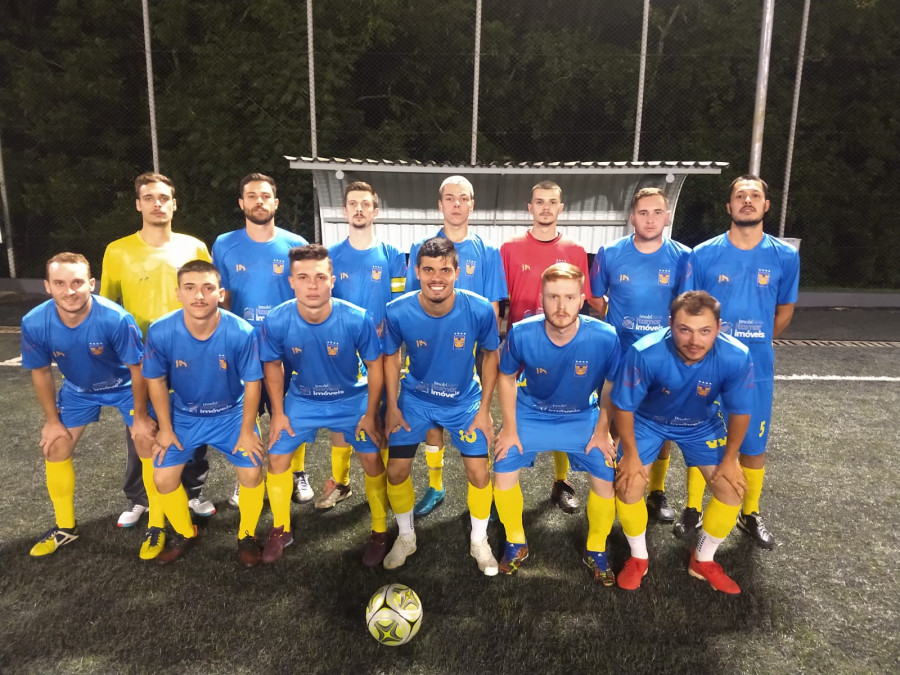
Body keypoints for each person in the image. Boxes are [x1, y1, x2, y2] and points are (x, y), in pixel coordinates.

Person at [677, 175, 799, 548]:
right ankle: (693, 508)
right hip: (708, 365)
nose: (747, 201)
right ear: (729, 206)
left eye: (755, 195)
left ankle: (750, 512)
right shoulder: (703, 254)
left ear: (766, 205)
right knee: (702, 435)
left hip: (756, 366)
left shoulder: (785, 255)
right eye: (740, 196)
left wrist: (750, 346)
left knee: (753, 444)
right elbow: (690, 309)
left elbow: (784, 310)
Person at [100, 172, 214, 548]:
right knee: (143, 426)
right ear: (138, 204)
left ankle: (192, 491)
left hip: (192, 354)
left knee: (193, 420)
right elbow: (107, 306)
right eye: (149, 198)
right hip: (141, 358)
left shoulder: (194, 246)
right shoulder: (117, 250)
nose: (157, 204)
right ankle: (140, 497)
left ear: (174, 204)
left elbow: (209, 295)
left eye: (164, 198)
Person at [612, 291, 753, 594]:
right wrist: (631, 455)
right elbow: (623, 407)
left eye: (705, 331)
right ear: (670, 324)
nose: (695, 341)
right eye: (685, 329)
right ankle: (638, 557)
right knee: (627, 484)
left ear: (719, 327)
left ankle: (703, 559)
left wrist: (731, 459)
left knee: (731, 489)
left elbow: (741, 412)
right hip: (648, 421)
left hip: (700, 424)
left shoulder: (736, 355)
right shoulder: (645, 352)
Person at [21, 253, 156, 558]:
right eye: (60, 283)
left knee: (146, 440)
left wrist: (141, 416)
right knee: (55, 446)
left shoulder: (115, 318)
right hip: (79, 390)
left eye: (77, 282)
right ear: (47, 286)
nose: (69, 291)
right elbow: (40, 371)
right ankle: (65, 527)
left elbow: (138, 369)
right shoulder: (34, 321)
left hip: (124, 387)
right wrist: (51, 420)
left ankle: (157, 525)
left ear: (91, 284)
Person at [261, 244, 388, 566]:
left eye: (320, 277)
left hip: (351, 399)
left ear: (332, 280)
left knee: (372, 458)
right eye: (303, 277)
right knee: (276, 456)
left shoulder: (356, 317)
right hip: (302, 399)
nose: (312, 285)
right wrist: (278, 414)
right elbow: (273, 366)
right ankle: (281, 528)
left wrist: (371, 413)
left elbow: (375, 366)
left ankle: (379, 531)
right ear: (291, 281)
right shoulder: (277, 319)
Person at [494, 263, 620, 582]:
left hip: (581, 416)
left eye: (569, 297)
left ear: (582, 300)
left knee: (606, 474)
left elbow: (610, 384)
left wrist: (603, 430)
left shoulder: (605, 336)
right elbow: (506, 377)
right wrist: (509, 428)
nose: (561, 306)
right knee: (503, 465)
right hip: (532, 412)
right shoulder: (522, 332)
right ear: (541, 299)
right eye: (553, 297)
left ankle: (596, 549)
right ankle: (516, 542)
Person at [382, 237, 500, 575]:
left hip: (464, 403)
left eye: (445, 270)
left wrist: (484, 410)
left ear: (457, 273)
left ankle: (479, 540)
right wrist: (392, 406)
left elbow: (491, 355)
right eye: (429, 270)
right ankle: (406, 536)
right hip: (415, 401)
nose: (437, 277)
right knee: (396, 470)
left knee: (479, 473)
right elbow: (391, 357)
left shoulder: (479, 309)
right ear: (417, 272)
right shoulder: (397, 310)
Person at [143, 260, 266, 567]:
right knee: (163, 478)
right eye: (190, 288)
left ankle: (247, 535)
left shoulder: (241, 331)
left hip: (231, 413)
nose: (199, 295)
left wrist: (247, 431)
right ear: (178, 293)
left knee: (252, 472)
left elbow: (253, 383)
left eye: (208, 288)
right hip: (184, 415)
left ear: (220, 294)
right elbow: (155, 381)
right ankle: (185, 532)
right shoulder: (161, 330)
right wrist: (165, 428)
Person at [404, 176, 507, 517]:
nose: (457, 204)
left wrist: (483, 346)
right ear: (440, 204)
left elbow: (493, 305)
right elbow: (411, 301)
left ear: (472, 204)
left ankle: (482, 488)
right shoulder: (422, 247)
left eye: (463, 198)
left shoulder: (487, 251)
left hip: (471, 346)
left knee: (475, 415)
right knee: (432, 417)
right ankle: (435, 486)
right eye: (450, 198)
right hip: (430, 347)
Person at [501, 180, 604, 516]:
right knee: (516, 410)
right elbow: (501, 299)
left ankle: (561, 480)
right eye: (539, 201)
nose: (545, 207)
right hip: (523, 346)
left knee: (564, 405)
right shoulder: (510, 248)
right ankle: (506, 476)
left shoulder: (575, 249)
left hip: (564, 345)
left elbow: (586, 299)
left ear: (561, 207)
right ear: (529, 207)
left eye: (552, 202)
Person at [590, 187, 691, 524]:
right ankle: (613, 481)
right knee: (616, 420)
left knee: (662, 421)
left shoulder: (683, 257)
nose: (650, 219)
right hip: (621, 354)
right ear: (632, 217)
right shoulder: (610, 252)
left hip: (666, 356)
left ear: (667, 217)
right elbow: (595, 298)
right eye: (643, 213)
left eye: (657, 212)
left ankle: (656, 491)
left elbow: (687, 306)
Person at [212, 173, 311, 509]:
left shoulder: (295, 243)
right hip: (243, 345)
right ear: (242, 202)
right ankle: (248, 469)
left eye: (265, 196)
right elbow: (222, 296)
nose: (259, 201)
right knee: (247, 409)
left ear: (276, 202)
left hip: (287, 344)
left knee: (291, 409)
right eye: (252, 195)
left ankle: (297, 472)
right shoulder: (224, 243)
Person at [318, 181, 406, 511]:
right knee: (343, 419)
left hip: (383, 351)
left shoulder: (393, 256)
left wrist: (386, 328)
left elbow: (399, 303)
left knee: (381, 416)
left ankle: (382, 482)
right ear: (344, 211)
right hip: (342, 353)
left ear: (375, 211)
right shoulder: (330, 257)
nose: (359, 209)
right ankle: (341, 482)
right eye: (353, 203)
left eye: (365, 204)